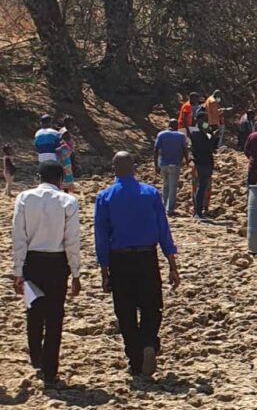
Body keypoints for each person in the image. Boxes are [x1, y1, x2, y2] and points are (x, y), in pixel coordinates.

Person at [94, 152, 181, 377]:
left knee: (125, 310)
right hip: (147, 256)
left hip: (119, 258)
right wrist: (172, 264)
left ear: (114, 168)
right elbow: (163, 230)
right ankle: (149, 342)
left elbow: (101, 237)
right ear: (134, 167)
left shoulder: (105, 197)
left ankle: (135, 358)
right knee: (152, 305)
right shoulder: (150, 193)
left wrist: (104, 270)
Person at [11, 161, 81, 386]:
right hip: (57, 262)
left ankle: (36, 357)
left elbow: (18, 237)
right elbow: (72, 241)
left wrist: (18, 271)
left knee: (33, 309)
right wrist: (76, 273)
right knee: (54, 315)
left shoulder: (23, 198)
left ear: (37, 176)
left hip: (32, 260)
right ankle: (50, 367)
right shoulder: (68, 201)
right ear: (60, 179)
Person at [153, 119, 188, 215]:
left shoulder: (161, 134)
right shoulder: (181, 136)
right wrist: (187, 161)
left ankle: (164, 207)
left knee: (165, 185)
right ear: (177, 126)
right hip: (174, 164)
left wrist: (156, 164)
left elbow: (156, 150)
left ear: (168, 125)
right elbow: (184, 150)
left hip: (163, 164)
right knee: (173, 187)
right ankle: (170, 209)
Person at [189, 113, 216, 220]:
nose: (206, 122)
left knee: (201, 187)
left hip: (203, 163)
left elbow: (211, 147)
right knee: (200, 188)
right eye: (204, 120)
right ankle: (198, 212)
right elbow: (208, 147)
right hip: (202, 163)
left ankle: (198, 211)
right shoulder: (197, 134)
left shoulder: (199, 134)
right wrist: (212, 135)